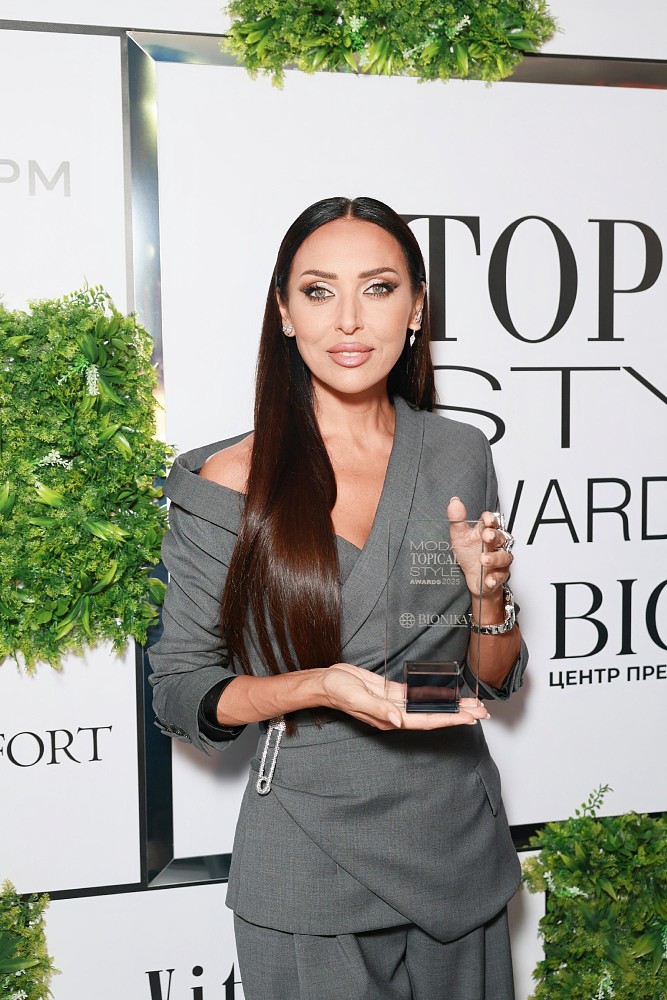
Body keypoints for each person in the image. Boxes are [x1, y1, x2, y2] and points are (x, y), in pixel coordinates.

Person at [149, 196, 528, 1000]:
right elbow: (182, 689)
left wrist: (488, 599)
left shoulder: (459, 452)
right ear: (284, 313)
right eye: (318, 291)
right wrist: (320, 687)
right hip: (308, 860)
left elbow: (478, 684)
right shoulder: (228, 479)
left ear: (416, 307)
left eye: (378, 288)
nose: (348, 320)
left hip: (456, 841)